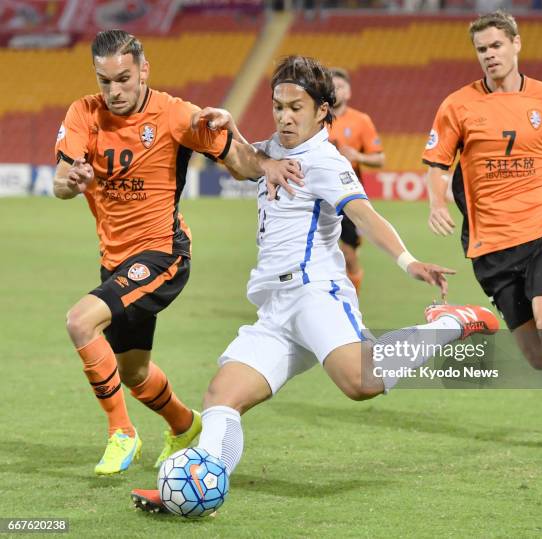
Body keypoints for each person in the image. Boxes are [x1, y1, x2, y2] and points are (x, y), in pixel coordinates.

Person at [130, 55, 499, 511]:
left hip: (314, 293)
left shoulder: (326, 160)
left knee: (361, 381)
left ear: (323, 110)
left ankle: (449, 323)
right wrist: (229, 130)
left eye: (296, 108)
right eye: (278, 106)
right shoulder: (275, 149)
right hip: (275, 308)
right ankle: (192, 491)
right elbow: (246, 163)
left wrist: (409, 262)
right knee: (222, 396)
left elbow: (363, 213)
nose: (285, 116)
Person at [53, 30, 303, 475]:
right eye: (105, 80)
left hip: (162, 255)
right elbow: (60, 181)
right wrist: (70, 181)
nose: (114, 91)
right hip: (115, 261)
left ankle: (121, 432)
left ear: (144, 70)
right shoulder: (83, 113)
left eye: (124, 79)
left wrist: (266, 165)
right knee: (133, 373)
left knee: (79, 321)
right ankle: (186, 426)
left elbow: (239, 163)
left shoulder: (176, 115)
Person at [422, 11, 542, 461]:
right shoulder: (457, 105)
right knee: (537, 357)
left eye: (496, 46)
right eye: (481, 49)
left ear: (516, 44)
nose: (489, 55)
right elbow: (437, 164)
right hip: (490, 245)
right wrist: (436, 202)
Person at [328, 67, 385, 294]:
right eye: (331, 86)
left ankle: (352, 304)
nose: (335, 90)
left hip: (348, 195)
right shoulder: (314, 119)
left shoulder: (361, 121)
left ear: (348, 92)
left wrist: (358, 156)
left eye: (340, 86)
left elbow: (380, 159)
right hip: (319, 196)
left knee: (349, 255)